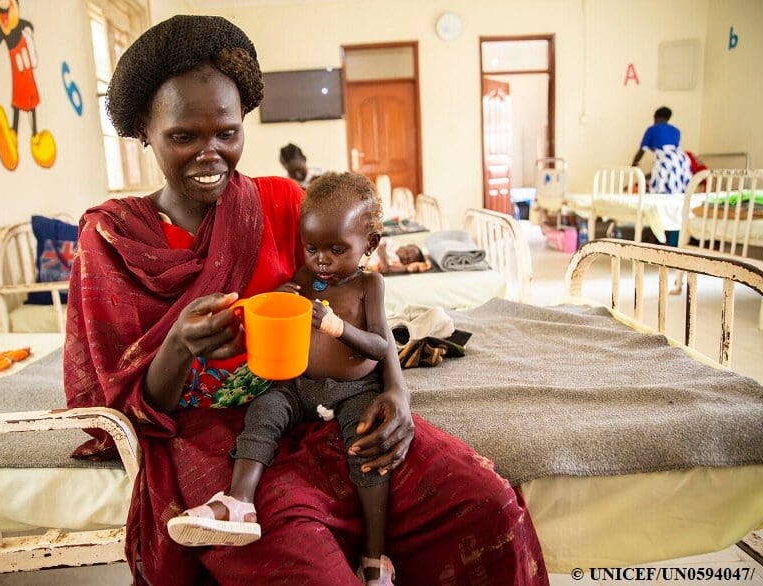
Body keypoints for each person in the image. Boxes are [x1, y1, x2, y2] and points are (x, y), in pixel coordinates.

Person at [63, 14, 548, 586]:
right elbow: (125, 407)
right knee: (307, 571)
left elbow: (355, 309)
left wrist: (397, 393)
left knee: (486, 504)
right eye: (183, 136)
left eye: (226, 132)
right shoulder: (115, 241)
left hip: (324, 405)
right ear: (144, 130)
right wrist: (178, 346)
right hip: (218, 441)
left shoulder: (278, 204)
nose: (210, 153)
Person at [169, 172, 398, 584]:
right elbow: (280, 310)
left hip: (353, 388)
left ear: (370, 245)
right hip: (299, 385)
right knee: (263, 412)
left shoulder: (369, 285)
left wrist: (337, 327)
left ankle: (375, 555)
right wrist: (281, 294)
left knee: (366, 448)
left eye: (336, 249)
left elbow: (382, 347)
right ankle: (239, 500)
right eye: (312, 248)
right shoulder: (306, 278)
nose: (322, 260)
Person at [631, 106, 692, 194]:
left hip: (666, 158)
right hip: (682, 159)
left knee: (661, 183)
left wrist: (634, 163)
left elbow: (642, 150)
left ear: (655, 117)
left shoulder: (652, 129)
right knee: (675, 183)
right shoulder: (676, 130)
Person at [366, 239, 432, 274]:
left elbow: (387, 269)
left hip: (366, 266)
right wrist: (384, 263)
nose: (406, 257)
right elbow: (380, 247)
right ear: (405, 246)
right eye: (407, 252)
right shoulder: (392, 244)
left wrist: (406, 268)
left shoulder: (399, 264)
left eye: (408, 259)